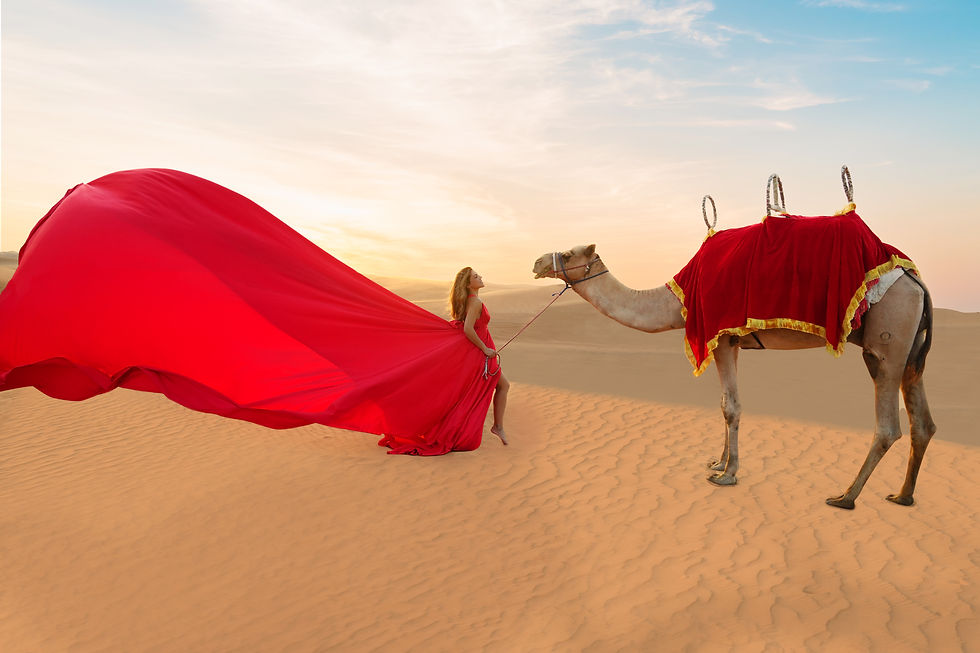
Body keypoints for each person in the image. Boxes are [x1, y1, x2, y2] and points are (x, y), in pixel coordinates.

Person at [449, 267, 509, 445]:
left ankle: (496, 426)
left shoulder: (471, 300)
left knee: (495, 387)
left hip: (480, 351)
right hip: (481, 352)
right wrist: (485, 349)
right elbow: (468, 328)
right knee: (503, 385)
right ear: (468, 284)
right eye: (476, 276)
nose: (480, 277)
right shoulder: (474, 302)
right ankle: (497, 427)